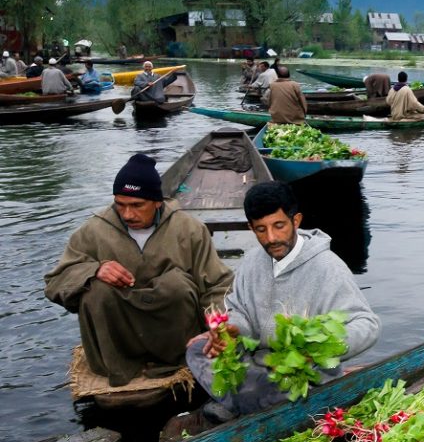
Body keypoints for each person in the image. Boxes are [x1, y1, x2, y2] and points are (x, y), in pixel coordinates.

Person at [183, 181, 380, 420]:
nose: (272, 238)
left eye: (279, 226)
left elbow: (367, 324)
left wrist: (318, 349)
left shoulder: (328, 268)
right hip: (259, 367)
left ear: (295, 221)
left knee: (280, 387)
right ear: (251, 228)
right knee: (197, 350)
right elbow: (239, 311)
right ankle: (248, 401)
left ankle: (240, 402)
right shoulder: (251, 263)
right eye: (261, 230)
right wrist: (232, 330)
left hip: (302, 374)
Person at [44, 154, 233, 387]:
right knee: (96, 290)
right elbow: (55, 283)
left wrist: (220, 328)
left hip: (173, 339)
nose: (127, 214)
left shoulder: (189, 229)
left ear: (157, 202)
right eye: (120, 204)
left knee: (176, 285)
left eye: (137, 205)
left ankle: (173, 361)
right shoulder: (93, 231)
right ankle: (119, 366)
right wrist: (94, 270)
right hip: (119, 339)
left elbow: (217, 284)